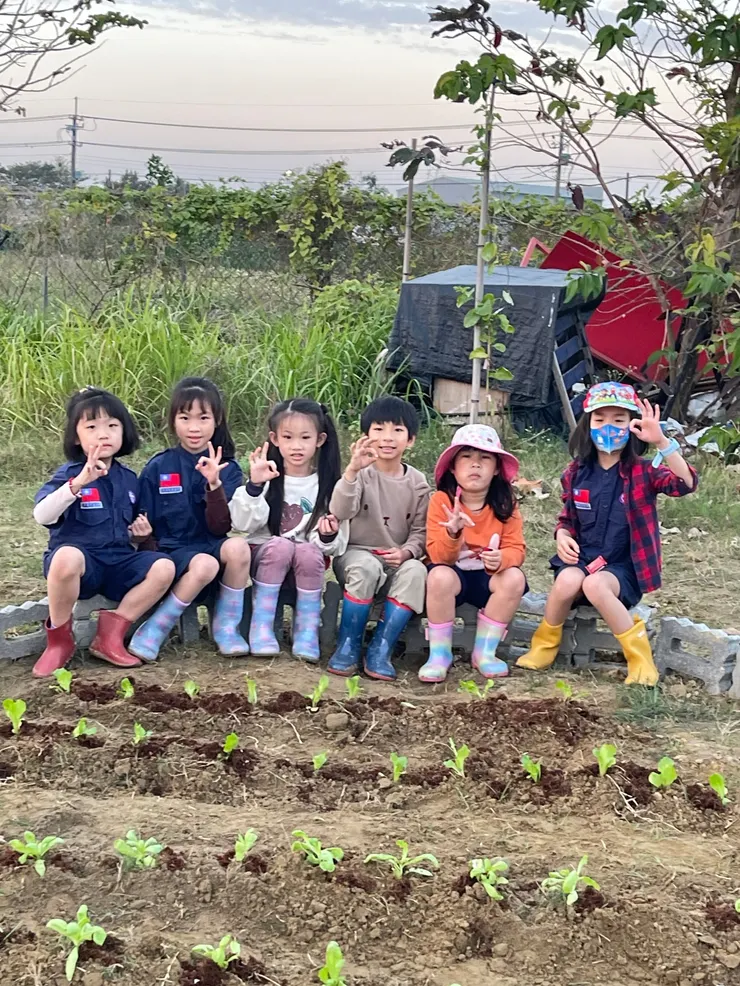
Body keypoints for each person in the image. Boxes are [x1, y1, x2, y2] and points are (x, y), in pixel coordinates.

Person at [517, 382, 698, 685]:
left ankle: (639, 658)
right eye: (600, 419)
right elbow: (567, 519)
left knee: (596, 585)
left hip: (622, 569)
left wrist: (662, 442)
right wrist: (562, 536)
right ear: (587, 425)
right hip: (583, 559)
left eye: (618, 420)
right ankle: (544, 646)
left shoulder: (644, 472)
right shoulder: (575, 473)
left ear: (632, 426)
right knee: (567, 581)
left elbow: (686, 484)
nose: (608, 427)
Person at [32, 388, 176, 678]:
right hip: (83, 568)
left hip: (118, 563)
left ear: (124, 431)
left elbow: (132, 532)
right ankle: (59, 641)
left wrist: (139, 535)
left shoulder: (130, 479)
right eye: (91, 427)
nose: (103, 434)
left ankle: (110, 634)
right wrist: (78, 483)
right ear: (76, 437)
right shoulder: (69, 475)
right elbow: (42, 515)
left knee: (164, 567)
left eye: (112, 425)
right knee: (66, 557)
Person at [129, 377, 251, 662]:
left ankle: (226, 627)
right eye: (185, 418)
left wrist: (214, 485)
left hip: (210, 544)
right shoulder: (158, 467)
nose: (194, 427)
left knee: (238, 547)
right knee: (204, 563)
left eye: (203, 418)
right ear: (173, 421)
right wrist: (143, 539)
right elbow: (143, 522)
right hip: (173, 552)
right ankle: (157, 626)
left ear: (217, 420)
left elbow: (221, 527)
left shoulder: (229, 469)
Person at [229, 399, 347, 663]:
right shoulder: (267, 475)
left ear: (320, 440)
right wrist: (254, 486)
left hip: (306, 565)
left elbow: (334, 545)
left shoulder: (328, 484)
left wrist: (327, 535)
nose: (296, 446)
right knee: (281, 546)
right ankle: (261, 626)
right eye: (288, 437)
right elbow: (241, 524)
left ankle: (306, 631)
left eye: (305, 437)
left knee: (307, 550)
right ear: (275, 439)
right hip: (266, 558)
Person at [328, 396, 430, 681]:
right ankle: (348, 645)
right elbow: (340, 511)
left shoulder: (418, 483)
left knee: (416, 571)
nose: (387, 437)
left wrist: (407, 552)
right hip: (356, 554)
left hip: (396, 558)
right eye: (379, 429)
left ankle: (380, 648)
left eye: (397, 430)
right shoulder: (360, 474)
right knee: (366, 567)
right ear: (366, 436)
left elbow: (421, 531)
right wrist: (351, 471)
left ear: (411, 440)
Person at [422, 424, 526, 683]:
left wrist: (502, 559)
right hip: (452, 576)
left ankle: (485, 652)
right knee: (438, 576)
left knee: (514, 578)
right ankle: (439, 654)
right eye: (466, 457)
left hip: (488, 578)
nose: (475, 464)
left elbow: (517, 548)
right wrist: (453, 533)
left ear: (497, 468)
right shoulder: (441, 501)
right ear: (453, 468)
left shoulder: (506, 504)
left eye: (485, 458)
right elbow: (439, 557)